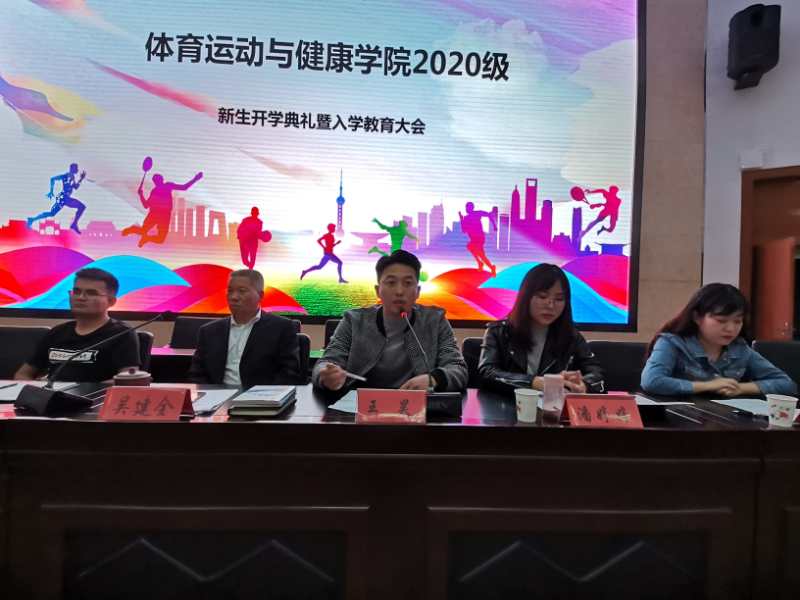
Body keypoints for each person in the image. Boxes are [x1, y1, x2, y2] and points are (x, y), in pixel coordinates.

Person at [312, 250, 467, 397]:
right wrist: (327, 376)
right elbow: (324, 364)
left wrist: (433, 379)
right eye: (391, 283)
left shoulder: (434, 321)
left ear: (418, 291)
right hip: (361, 406)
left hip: (415, 407)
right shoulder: (354, 321)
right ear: (378, 290)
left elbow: (458, 368)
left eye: (408, 283)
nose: (399, 291)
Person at [641, 283, 796, 396]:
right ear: (697, 317)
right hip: (678, 419)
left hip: (725, 420)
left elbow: (786, 384)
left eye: (737, 321)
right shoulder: (672, 343)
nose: (730, 329)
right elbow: (652, 381)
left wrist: (741, 388)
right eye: (721, 321)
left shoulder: (740, 349)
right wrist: (708, 386)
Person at [478, 263, 603, 394]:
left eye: (559, 299)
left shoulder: (571, 336)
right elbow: (487, 373)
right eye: (542, 296)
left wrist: (584, 385)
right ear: (526, 297)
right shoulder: (498, 331)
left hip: (554, 405)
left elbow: (596, 375)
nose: (550, 305)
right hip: (506, 404)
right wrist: (533, 382)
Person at [15, 268, 140, 382]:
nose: (80, 297)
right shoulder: (57, 332)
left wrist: (85, 391)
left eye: (91, 293)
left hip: (94, 398)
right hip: (52, 397)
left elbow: (128, 380)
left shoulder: (122, 333)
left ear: (111, 301)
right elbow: (23, 374)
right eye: (76, 291)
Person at [188, 269, 301, 387]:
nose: (234, 297)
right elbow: (196, 374)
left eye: (242, 291)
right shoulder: (209, 331)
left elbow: (289, 374)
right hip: (216, 395)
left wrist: (263, 395)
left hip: (261, 396)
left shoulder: (282, 328)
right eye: (230, 291)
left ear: (260, 295)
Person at [122, 170, 202, 247]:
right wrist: (195, 179)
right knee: (159, 239)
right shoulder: (164, 187)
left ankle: (142, 236)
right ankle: (137, 233)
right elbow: (184, 187)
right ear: (162, 180)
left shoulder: (157, 190)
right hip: (161, 215)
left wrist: (141, 195)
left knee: (154, 236)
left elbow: (145, 206)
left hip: (160, 215)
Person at [28, 163, 87, 233]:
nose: (77, 170)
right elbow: (52, 179)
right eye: (76, 168)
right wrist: (51, 191)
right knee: (81, 207)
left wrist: (81, 179)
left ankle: (32, 219)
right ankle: (74, 224)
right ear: (72, 169)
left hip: (64, 198)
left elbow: (75, 187)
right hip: (64, 197)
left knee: (52, 213)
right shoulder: (65, 176)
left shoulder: (72, 177)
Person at [459, 201, 497, 276]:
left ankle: (482, 264)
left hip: (479, 238)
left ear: (472, 208)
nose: (466, 209)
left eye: (468, 207)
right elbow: (464, 230)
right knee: (481, 255)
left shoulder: (477, 213)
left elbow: (489, 215)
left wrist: (494, 225)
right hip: (474, 239)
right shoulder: (466, 218)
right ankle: (490, 267)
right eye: (466, 207)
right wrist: (461, 220)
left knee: (473, 248)